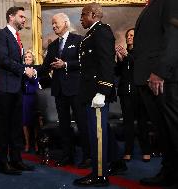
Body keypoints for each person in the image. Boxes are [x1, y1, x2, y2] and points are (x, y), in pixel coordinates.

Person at [133, 0, 178, 186]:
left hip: (163, 79)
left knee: (173, 130)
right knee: (163, 131)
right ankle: (170, 171)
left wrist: (160, 71)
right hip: (148, 78)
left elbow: (174, 36)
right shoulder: (153, 5)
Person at [37, 12, 91, 168]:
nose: (53, 26)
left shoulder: (79, 40)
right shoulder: (53, 45)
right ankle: (68, 155)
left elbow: (85, 62)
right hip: (59, 90)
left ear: (66, 23)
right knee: (64, 125)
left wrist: (66, 64)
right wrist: (29, 71)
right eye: (52, 24)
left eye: (56, 23)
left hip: (76, 89)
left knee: (82, 123)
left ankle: (87, 157)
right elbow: (45, 67)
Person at [73, 3, 116, 186]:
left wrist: (103, 91)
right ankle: (113, 163)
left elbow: (106, 63)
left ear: (92, 14)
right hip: (90, 92)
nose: (81, 18)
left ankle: (99, 175)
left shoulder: (102, 31)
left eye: (83, 15)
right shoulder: (91, 33)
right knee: (96, 132)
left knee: (97, 134)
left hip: (97, 93)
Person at [0, 6, 35, 175]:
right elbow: (2, 59)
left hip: (16, 88)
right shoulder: (0, 35)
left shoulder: (18, 38)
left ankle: (16, 160)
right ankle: (3, 164)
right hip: (4, 88)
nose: (24, 19)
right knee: (4, 127)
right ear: (11, 17)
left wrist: (29, 70)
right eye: (22, 16)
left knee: (16, 127)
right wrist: (24, 70)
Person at [115, 28, 151, 162]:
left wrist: (127, 57)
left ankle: (146, 151)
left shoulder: (142, 52)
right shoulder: (124, 53)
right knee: (128, 123)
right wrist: (119, 60)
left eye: (132, 35)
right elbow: (118, 73)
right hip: (125, 92)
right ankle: (128, 151)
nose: (129, 37)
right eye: (128, 35)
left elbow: (141, 68)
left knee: (142, 123)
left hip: (140, 92)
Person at [22, 50, 39, 152]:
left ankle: (37, 144)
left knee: (35, 122)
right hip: (24, 97)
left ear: (32, 59)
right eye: (26, 57)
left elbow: (35, 82)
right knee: (25, 122)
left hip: (34, 97)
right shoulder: (21, 69)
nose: (27, 58)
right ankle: (27, 144)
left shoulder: (36, 68)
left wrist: (31, 76)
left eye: (29, 57)